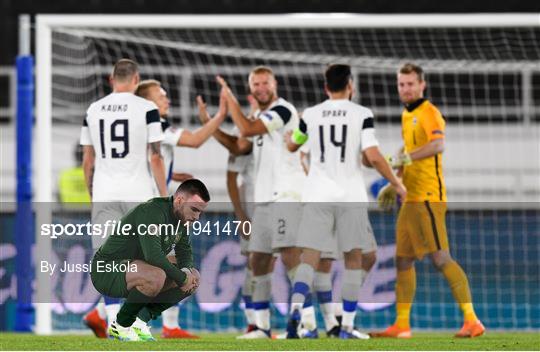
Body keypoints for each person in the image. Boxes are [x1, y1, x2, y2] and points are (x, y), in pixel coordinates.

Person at [285, 64, 407, 339]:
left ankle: (297, 311)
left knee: (310, 259)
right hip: (350, 196)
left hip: (316, 195)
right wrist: (397, 183)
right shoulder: (361, 114)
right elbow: (373, 156)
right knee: (356, 258)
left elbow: (294, 145)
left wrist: (291, 140)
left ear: (326, 87)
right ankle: (347, 327)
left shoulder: (311, 115)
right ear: (350, 85)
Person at [371, 63, 485, 338]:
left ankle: (472, 320)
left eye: (410, 84)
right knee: (403, 261)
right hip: (410, 198)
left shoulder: (429, 113)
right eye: (401, 84)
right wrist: (394, 181)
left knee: (440, 258)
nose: (406, 89)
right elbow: (406, 153)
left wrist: (404, 159)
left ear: (422, 85)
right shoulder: (405, 115)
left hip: (428, 197)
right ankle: (402, 325)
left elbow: (438, 145)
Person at [215, 67, 306, 339]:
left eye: (265, 82)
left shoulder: (283, 110)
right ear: (251, 88)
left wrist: (229, 98)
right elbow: (239, 145)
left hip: (286, 194)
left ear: (274, 83)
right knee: (259, 261)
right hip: (265, 198)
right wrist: (212, 124)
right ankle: (263, 327)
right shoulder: (261, 118)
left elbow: (246, 128)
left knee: (290, 256)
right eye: (256, 84)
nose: (261, 87)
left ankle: (305, 321)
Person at [80, 58, 167, 338]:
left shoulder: (93, 110)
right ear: (136, 80)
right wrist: (164, 196)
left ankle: (113, 324)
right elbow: (155, 156)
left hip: (105, 192)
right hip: (138, 193)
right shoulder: (147, 109)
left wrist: (92, 192)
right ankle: (134, 323)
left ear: (111, 79)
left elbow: (88, 160)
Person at [134, 79, 226, 338]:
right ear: (148, 102)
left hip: (139, 205)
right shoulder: (159, 125)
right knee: (175, 265)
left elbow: (147, 162)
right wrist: (220, 115)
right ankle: (157, 324)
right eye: (161, 96)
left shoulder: (137, 128)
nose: (167, 99)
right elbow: (196, 140)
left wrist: (173, 176)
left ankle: (115, 316)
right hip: (157, 209)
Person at [90, 179, 209, 341]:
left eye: (200, 212)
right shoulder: (152, 211)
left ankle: (140, 321)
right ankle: (121, 326)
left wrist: (187, 271)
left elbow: (184, 252)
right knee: (156, 275)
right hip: (107, 270)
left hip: (134, 268)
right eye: (194, 210)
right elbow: (152, 256)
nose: (197, 217)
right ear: (179, 200)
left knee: (194, 276)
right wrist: (182, 278)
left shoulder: (182, 220)